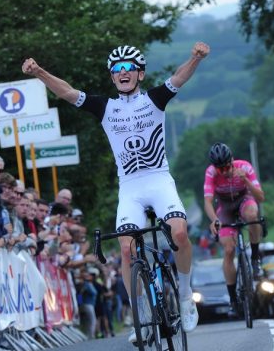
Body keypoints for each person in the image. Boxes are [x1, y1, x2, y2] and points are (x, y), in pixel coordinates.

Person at [23, 42, 210, 336]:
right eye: (117, 69)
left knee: (180, 232)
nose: (123, 73)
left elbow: (179, 77)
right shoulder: (105, 107)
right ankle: (142, 312)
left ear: (140, 75)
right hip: (131, 187)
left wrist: (195, 58)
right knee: (126, 249)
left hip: (159, 178)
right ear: (112, 77)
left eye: (129, 68)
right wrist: (39, 73)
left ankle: (186, 296)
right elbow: (67, 92)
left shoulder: (154, 100)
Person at [203, 142, 265, 315]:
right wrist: (214, 219)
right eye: (219, 169)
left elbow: (260, 197)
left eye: (227, 167)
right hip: (224, 207)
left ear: (232, 160)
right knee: (229, 250)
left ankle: (254, 256)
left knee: (253, 216)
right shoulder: (211, 172)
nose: (224, 171)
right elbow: (208, 201)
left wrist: (245, 179)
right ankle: (232, 298)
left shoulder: (244, 166)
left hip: (244, 200)